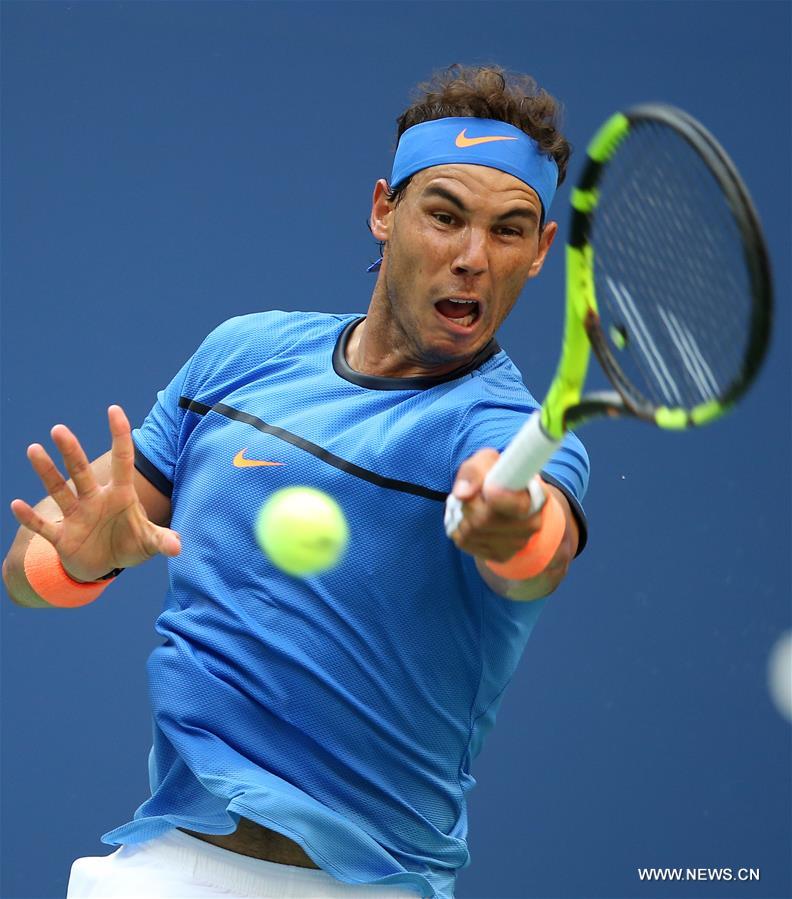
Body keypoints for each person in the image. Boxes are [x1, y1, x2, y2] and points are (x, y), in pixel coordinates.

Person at [3, 64, 589, 899]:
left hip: (371, 885)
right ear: (384, 210)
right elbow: (24, 576)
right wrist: (78, 560)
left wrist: (511, 526)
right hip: (166, 865)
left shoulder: (507, 432)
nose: (471, 258)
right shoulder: (241, 356)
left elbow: (539, 551)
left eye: (508, 230)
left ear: (540, 251)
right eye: (445, 215)